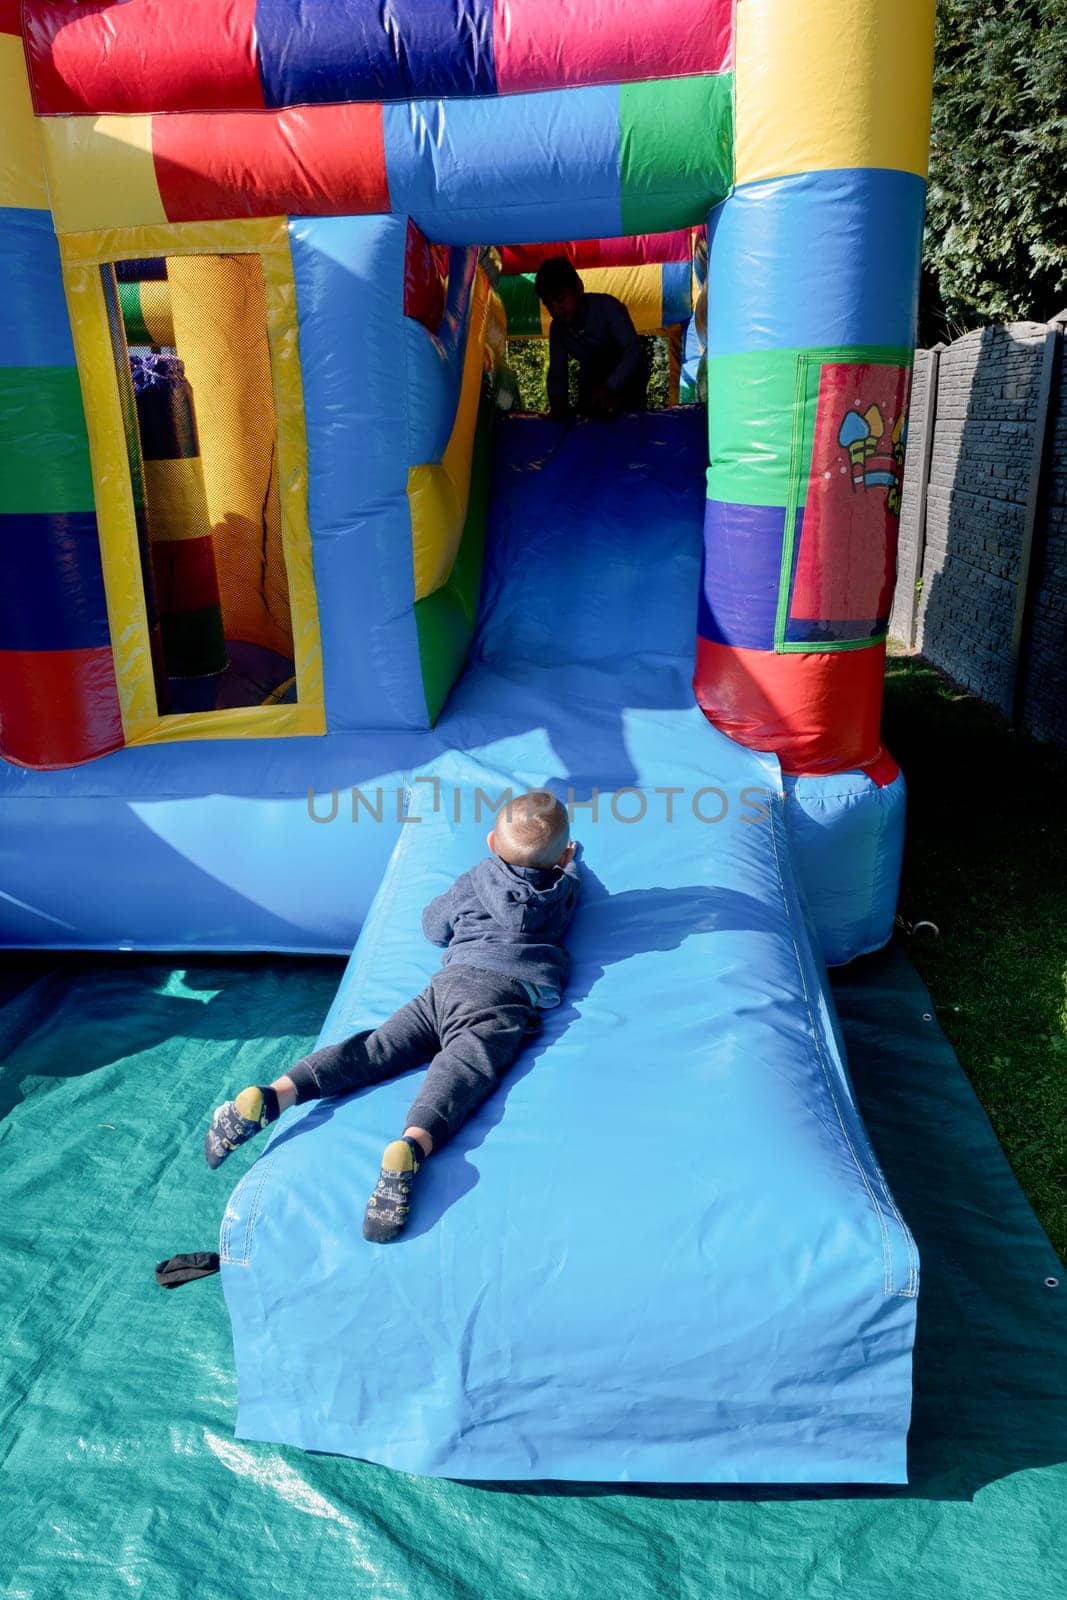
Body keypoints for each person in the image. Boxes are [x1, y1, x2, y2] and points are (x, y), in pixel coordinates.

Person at [204, 791, 581, 1243]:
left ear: (491, 843)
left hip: (446, 988)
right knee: (461, 1070)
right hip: (500, 1000)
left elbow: (432, 926)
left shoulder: (474, 880)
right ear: (562, 854)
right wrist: (568, 864)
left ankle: (277, 1094)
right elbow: (568, 882)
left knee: (375, 1047)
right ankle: (411, 1146)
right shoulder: (561, 891)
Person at [534, 255, 647, 420]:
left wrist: (611, 389)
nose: (556, 310)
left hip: (628, 377)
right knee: (587, 397)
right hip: (594, 378)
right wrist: (557, 408)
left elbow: (632, 352)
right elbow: (558, 373)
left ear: (579, 287)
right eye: (549, 305)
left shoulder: (608, 308)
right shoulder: (558, 330)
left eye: (560, 299)